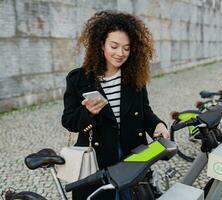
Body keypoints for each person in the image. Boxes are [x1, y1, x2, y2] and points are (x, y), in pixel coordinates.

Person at [61, 10, 170, 200]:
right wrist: (88, 113)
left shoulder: (134, 78)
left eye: (126, 48)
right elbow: (68, 120)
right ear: (101, 44)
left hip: (133, 154)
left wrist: (157, 125)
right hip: (98, 159)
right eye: (114, 46)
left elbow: (145, 111)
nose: (120, 53)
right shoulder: (78, 79)